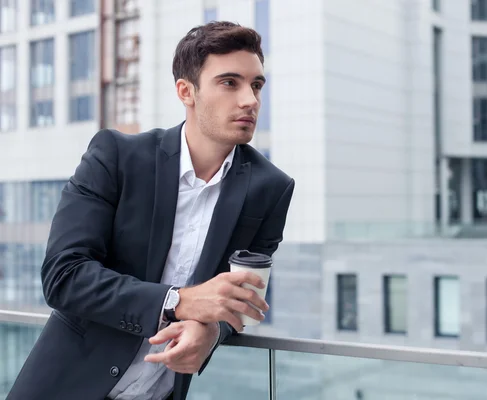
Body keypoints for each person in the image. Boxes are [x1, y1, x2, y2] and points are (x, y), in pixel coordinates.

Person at [8, 21, 294, 400]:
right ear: (186, 91)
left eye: (256, 85)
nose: (250, 100)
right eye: (230, 83)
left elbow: (241, 302)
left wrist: (210, 332)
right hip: (65, 387)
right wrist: (178, 301)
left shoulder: (270, 188)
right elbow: (65, 275)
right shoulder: (117, 156)